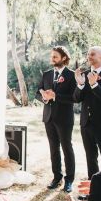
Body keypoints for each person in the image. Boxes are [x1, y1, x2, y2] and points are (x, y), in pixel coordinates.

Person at [73, 46, 101, 179]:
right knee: (90, 158)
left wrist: (94, 85)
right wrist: (80, 84)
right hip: (86, 124)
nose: (89, 56)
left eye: (92, 54)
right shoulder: (84, 74)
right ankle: (93, 187)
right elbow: (76, 99)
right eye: (88, 54)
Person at [35, 46, 77, 192]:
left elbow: (74, 98)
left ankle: (69, 180)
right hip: (48, 117)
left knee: (67, 148)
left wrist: (55, 96)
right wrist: (44, 98)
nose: (52, 59)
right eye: (51, 56)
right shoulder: (46, 74)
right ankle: (56, 177)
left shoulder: (71, 75)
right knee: (54, 149)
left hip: (64, 118)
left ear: (64, 58)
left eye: (55, 57)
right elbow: (37, 92)